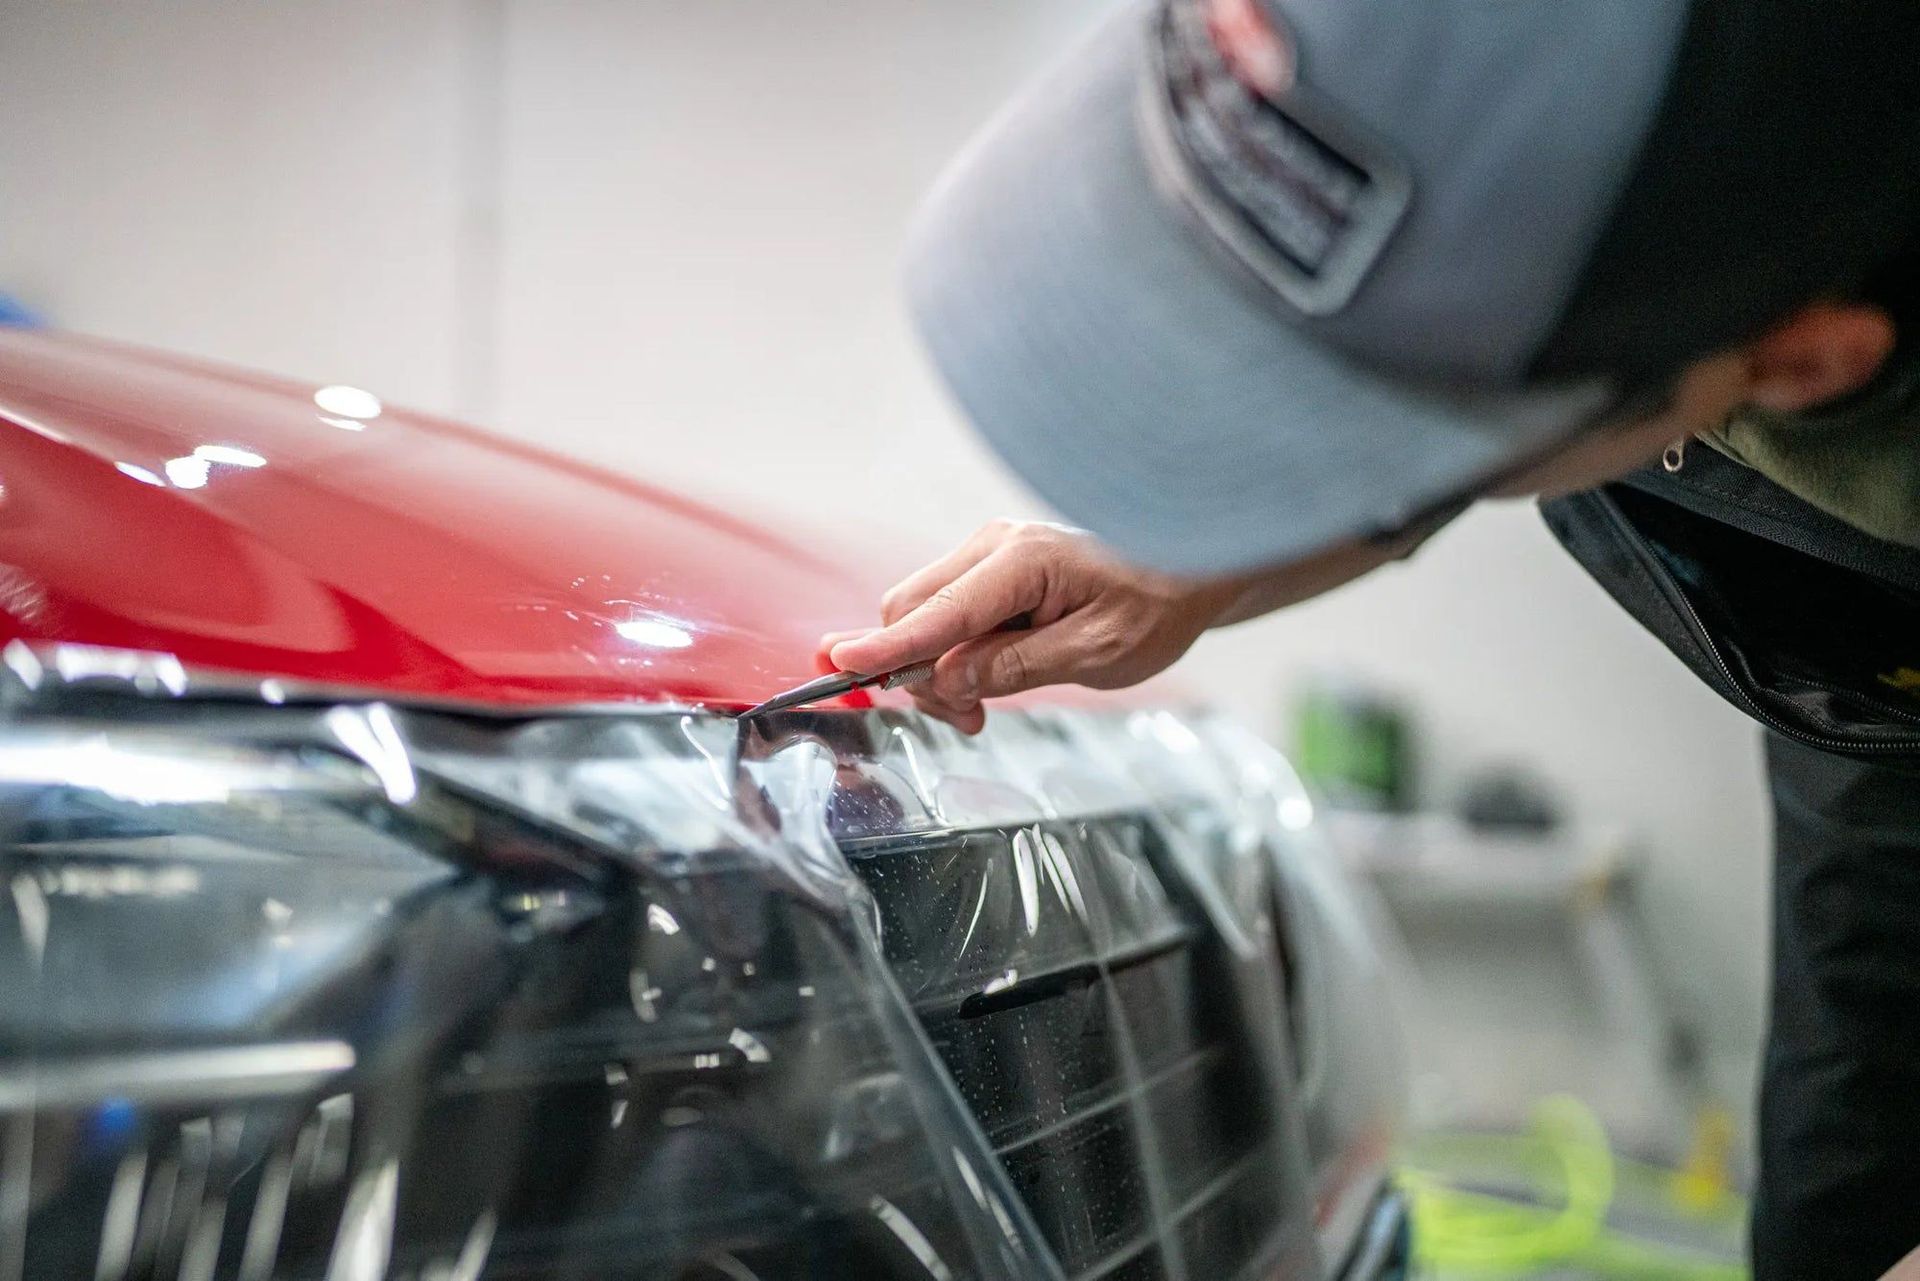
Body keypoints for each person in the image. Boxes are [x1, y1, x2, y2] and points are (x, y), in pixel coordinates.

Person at [826, 1, 1920, 1277]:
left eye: (1392, 431)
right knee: (1839, 1201)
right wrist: (1188, 561)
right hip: (1868, 710)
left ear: (1800, 364)